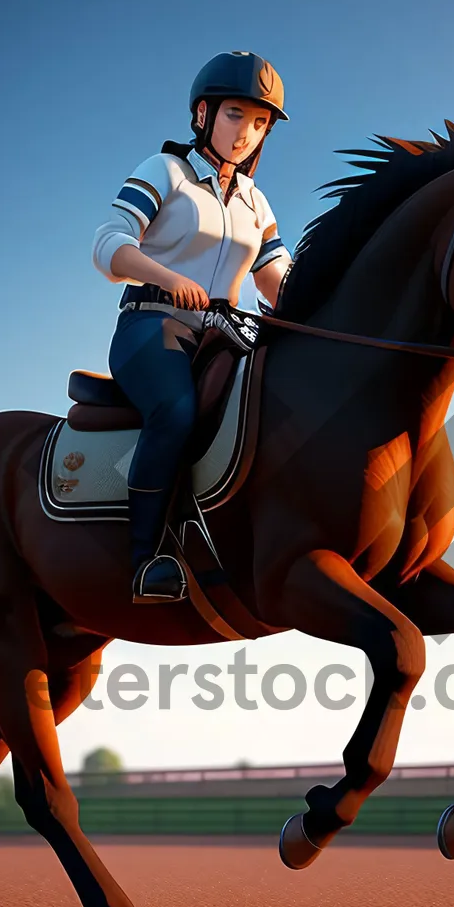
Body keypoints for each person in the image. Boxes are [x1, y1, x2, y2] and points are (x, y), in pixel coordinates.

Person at [93, 51, 293, 604]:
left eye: (260, 123)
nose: (246, 133)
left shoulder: (257, 202)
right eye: (235, 115)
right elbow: (108, 244)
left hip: (225, 334)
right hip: (153, 325)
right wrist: (167, 278)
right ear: (203, 114)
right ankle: (144, 560)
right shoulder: (166, 173)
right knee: (176, 410)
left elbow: (277, 279)